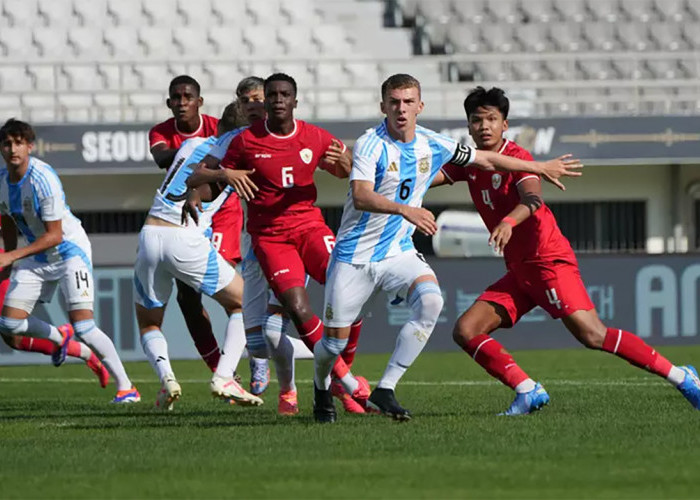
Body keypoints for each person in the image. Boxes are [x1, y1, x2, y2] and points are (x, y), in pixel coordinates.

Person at [313, 75, 583, 423]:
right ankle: (321, 388)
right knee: (333, 345)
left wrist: (538, 167)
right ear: (383, 107)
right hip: (354, 257)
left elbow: (487, 160)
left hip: (397, 251)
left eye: (408, 102)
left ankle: (386, 388)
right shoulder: (369, 144)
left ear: (420, 107)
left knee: (431, 301)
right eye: (394, 102)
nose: (401, 108)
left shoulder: (433, 143)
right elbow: (363, 196)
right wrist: (406, 209)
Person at [433, 86, 700, 414]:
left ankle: (683, 377)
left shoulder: (518, 157)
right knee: (466, 330)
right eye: (477, 120)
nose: (484, 126)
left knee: (593, 334)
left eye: (492, 119)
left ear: (505, 125)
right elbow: (428, 180)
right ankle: (527, 390)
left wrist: (508, 222)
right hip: (519, 269)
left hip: (547, 260)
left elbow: (532, 200)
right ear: (469, 126)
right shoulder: (470, 162)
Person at [185, 73, 367, 414]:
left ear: (294, 101)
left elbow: (349, 170)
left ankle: (342, 381)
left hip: (311, 229)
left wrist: (346, 163)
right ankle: (310, 387)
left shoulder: (313, 136)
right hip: (266, 239)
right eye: (269, 96)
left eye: (284, 94)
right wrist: (209, 184)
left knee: (349, 288)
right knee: (266, 336)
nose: (275, 100)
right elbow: (199, 178)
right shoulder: (240, 142)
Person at [136, 103, 263, 410]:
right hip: (183, 236)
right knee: (243, 303)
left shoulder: (191, 143)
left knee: (149, 322)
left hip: (150, 233)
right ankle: (224, 376)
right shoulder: (230, 158)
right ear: (240, 133)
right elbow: (202, 179)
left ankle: (167, 380)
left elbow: (188, 171)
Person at [0, 119, 138, 403]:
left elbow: (55, 235)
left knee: (85, 328)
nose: (12, 148)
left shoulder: (43, 178)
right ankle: (59, 335)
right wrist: (8, 261)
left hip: (68, 252)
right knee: (9, 325)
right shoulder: (2, 182)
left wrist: (12, 255)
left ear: (29, 146)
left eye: (18, 143)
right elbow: (8, 220)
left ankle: (127, 387)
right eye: (6, 143)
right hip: (36, 257)